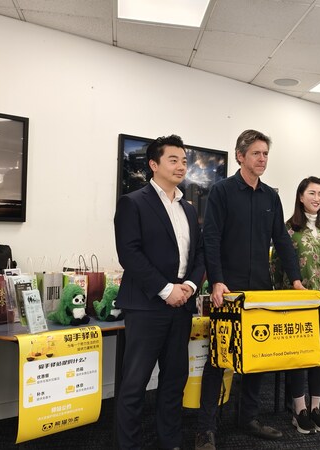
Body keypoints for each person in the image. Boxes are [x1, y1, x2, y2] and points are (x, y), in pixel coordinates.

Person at [195, 129, 304, 450]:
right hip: (227, 290)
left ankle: (248, 418)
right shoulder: (222, 191)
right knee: (219, 359)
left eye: (266, 154)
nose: (262, 159)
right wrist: (216, 280)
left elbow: (282, 242)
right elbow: (210, 239)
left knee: (257, 356)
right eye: (256, 153)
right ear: (240, 156)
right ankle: (206, 427)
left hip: (261, 290)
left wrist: (296, 279)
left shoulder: (271, 196)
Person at [114, 135, 205, 450]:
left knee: (174, 380)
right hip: (146, 305)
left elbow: (199, 255)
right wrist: (166, 289)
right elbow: (130, 254)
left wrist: (190, 287)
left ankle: (170, 442)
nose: (181, 166)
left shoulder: (189, 209)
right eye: (173, 160)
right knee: (134, 384)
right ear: (153, 165)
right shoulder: (133, 202)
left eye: (183, 160)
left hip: (181, 305)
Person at [271, 176, 320, 434]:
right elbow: (276, 264)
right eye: (312, 193)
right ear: (300, 196)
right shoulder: (288, 228)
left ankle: (315, 408)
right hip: (296, 300)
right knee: (298, 354)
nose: (317, 198)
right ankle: (298, 409)